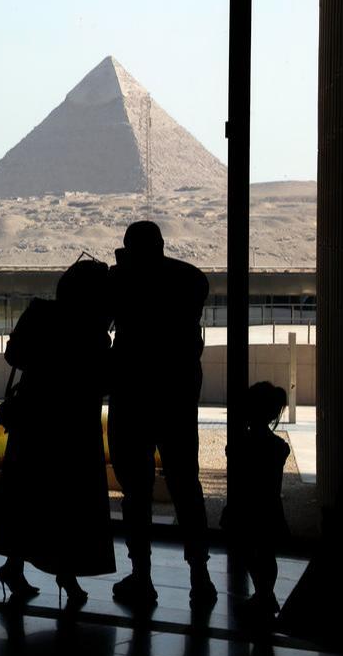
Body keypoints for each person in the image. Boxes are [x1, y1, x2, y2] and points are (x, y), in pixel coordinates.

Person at [0, 258, 115, 605]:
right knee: (69, 500)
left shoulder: (41, 314)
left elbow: (14, 355)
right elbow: (102, 378)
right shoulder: (93, 327)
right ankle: (65, 575)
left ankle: (18, 566)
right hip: (74, 423)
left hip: (36, 418)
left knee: (30, 494)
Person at [107, 221, 216, 607]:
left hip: (133, 393)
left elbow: (106, 318)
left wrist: (122, 270)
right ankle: (200, 575)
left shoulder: (123, 283)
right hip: (177, 393)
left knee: (136, 491)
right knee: (186, 485)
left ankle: (142, 575)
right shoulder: (189, 280)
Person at [224, 381, 290, 618]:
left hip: (247, 508)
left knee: (250, 553)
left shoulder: (243, 446)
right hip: (269, 507)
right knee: (266, 553)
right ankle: (265, 593)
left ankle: (263, 594)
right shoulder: (278, 447)